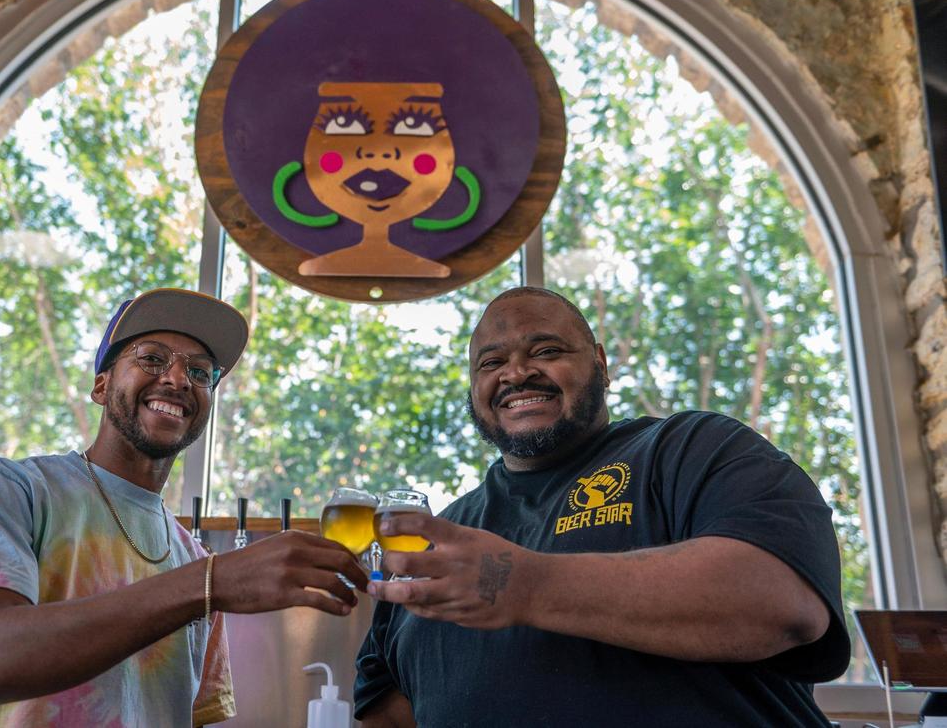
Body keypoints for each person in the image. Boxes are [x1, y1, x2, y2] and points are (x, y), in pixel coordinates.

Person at [354, 286, 851, 727]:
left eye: (546, 351)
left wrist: (522, 584)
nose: (517, 373)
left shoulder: (689, 448)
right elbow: (388, 711)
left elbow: (782, 604)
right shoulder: (436, 543)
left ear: (601, 365)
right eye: (491, 363)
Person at [0, 287, 369, 726]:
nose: (178, 379)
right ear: (101, 386)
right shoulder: (8, 490)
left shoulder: (195, 558)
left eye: (200, 372)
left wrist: (208, 582)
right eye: (152, 358)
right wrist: (209, 583)